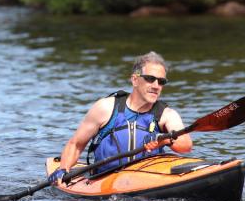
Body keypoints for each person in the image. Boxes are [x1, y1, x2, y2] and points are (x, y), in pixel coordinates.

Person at [48, 51, 193, 185]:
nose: (156, 86)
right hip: (105, 181)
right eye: (150, 79)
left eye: (161, 81)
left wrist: (163, 139)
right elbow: (76, 144)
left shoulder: (166, 114)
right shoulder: (106, 108)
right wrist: (63, 169)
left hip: (146, 180)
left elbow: (186, 145)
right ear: (135, 80)